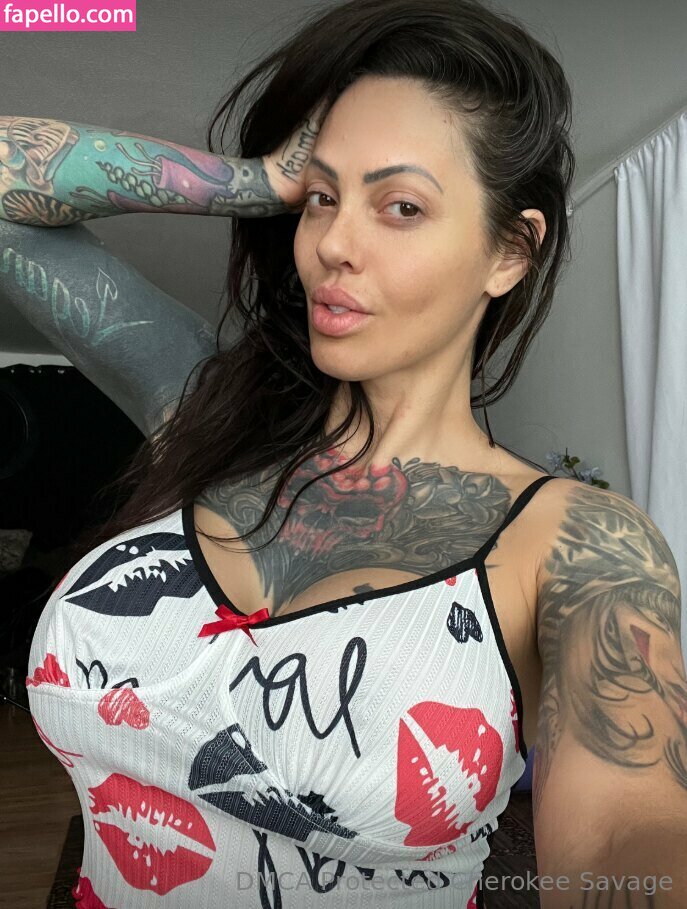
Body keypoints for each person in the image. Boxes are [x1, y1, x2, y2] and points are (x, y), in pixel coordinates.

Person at [4, 0, 686, 905]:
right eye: (322, 200)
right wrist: (259, 179)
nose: (331, 244)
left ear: (510, 251)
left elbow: (625, 839)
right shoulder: (204, 416)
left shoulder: (579, 543)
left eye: (400, 206)